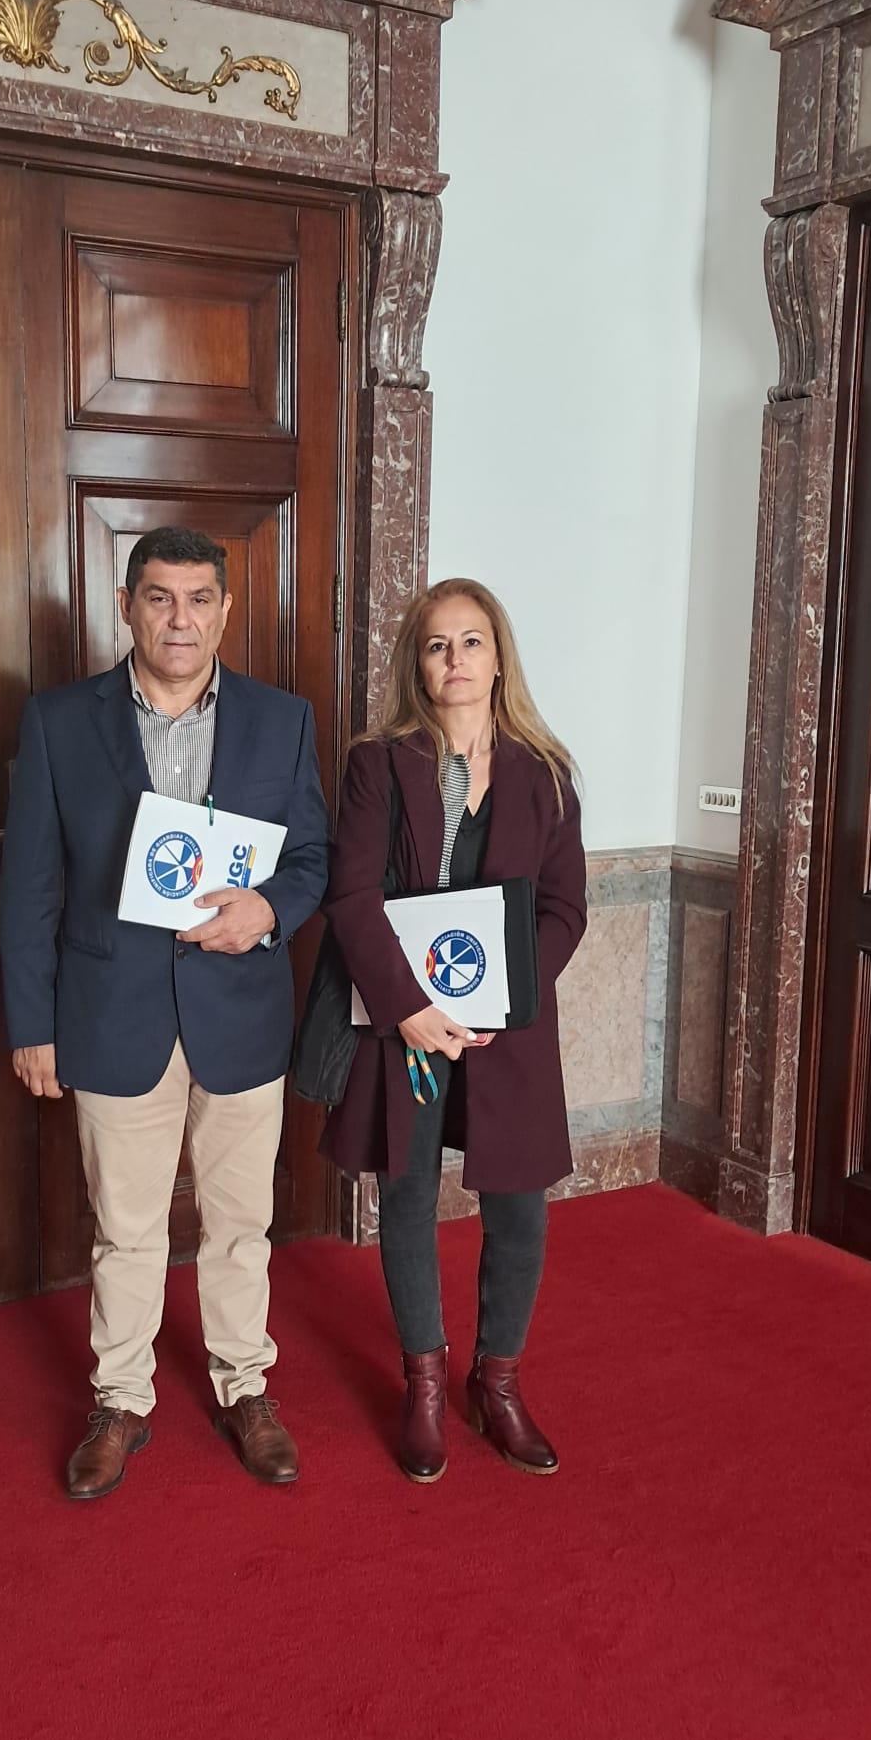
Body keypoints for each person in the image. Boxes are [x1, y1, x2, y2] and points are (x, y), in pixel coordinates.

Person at [0, 527, 329, 1500]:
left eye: (198, 598)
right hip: (111, 1015)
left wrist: (269, 911)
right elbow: (30, 887)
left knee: (240, 1224)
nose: (180, 618)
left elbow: (312, 858)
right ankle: (122, 1401)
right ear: (127, 606)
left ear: (225, 610)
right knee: (127, 1230)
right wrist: (32, 1024)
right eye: (159, 597)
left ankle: (245, 1387)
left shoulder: (283, 721)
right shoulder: (60, 723)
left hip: (242, 1014)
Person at [320, 578, 586, 1483]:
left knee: (519, 1206)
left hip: (507, 1030)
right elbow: (352, 896)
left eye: (472, 641)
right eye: (437, 645)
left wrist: (506, 996)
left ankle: (497, 1383)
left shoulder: (545, 773)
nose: (456, 659)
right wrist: (408, 1008)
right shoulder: (378, 764)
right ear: (418, 664)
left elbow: (564, 907)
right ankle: (426, 1385)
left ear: (498, 657)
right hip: (406, 1021)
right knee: (406, 1195)